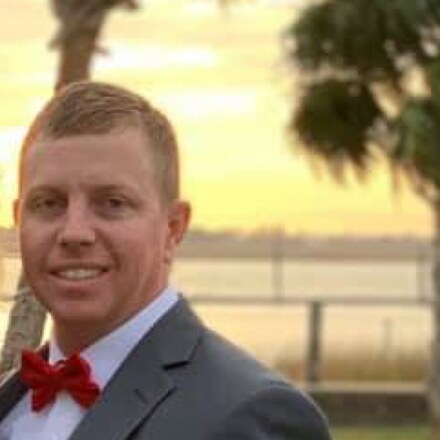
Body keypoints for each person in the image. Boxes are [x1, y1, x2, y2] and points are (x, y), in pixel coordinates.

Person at [0, 81, 331, 440]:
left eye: (112, 203)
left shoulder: (252, 414)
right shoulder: (11, 404)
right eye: (48, 203)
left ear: (172, 228)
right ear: (19, 222)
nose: (74, 232)